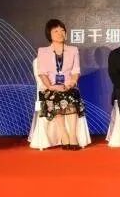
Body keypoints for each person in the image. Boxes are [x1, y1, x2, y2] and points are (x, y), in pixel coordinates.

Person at [36, 19, 85, 150]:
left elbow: (76, 71)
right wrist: (51, 86)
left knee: (71, 95)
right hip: (51, 87)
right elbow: (42, 73)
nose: (60, 33)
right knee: (54, 96)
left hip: (68, 86)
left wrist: (70, 84)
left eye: (62, 30)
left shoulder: (73, 50)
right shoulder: (43, 51)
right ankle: (64, 135)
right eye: (56, 31)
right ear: (49, 34)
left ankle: (73, 136)